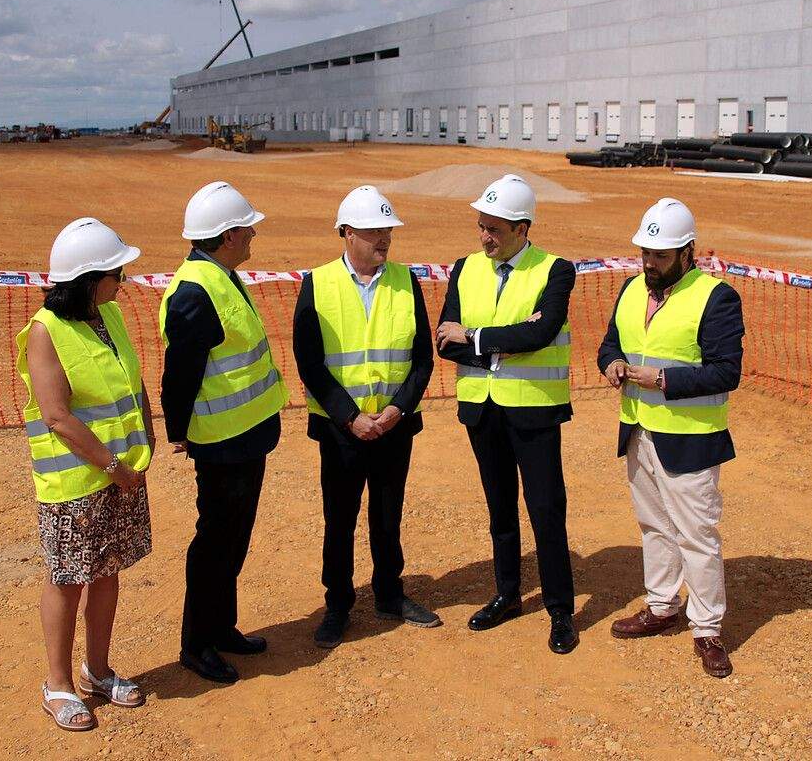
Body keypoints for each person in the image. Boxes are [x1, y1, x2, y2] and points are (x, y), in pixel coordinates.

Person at [596, 198, 744, 679]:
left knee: (696, 535)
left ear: (687, 251)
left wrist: (662, 380)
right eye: (645, 253)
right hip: (638, 430)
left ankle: (708, 629)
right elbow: (611, 343)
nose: (649, 263)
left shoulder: (716, 298)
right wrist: (612, 364)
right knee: (654, 525)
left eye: (660, 256)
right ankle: (661, 606)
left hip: (690, 439)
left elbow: (726, 371)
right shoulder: (630, 289)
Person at [15, 217, 152, 732]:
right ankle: (58, 685)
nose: (124, 281)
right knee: (68, 581)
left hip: (122, 475)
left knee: (107, 570)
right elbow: (57, 416)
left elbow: (131, 380)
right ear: (90, 280)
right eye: (117, 273)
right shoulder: (45, 332)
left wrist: (145, 438)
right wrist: (113, 467)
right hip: (77, 482)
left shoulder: (108, 313)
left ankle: (97, 671)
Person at [435, 174, 579, 654]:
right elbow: (444, 342)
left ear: (522, 228)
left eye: (494, 229)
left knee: (546, 510)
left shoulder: (556, 270)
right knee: (500, 508)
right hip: (482, 410)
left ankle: (560, 610)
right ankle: (508, 594)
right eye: (481, 226)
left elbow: (540, 333)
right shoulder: (464, 269)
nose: (484, 237)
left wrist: (474, 337)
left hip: (534, 410)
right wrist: (506, 341)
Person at [292, 185, 440, 648]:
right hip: (342, 431)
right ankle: (338, 604)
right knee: (339, 519)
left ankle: (389, 594)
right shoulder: (318, 284)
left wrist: (398, 408)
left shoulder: (406, 281)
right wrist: (349, 417)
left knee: (387, 515)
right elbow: (309, 362)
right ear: (347, 233)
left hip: (394, 426)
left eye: (388, 230)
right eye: (374, 231)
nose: (384, 238)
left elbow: (422, 358)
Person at [159, 181, 288, 685]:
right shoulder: (195, 292)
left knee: (234, 537)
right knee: (215, 542)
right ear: (229, 235)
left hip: (247, 435)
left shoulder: (221, 275)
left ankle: (221, 626)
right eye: (247, 228)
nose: (254, 234)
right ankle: (196, 644)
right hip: (221, 442)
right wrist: (178, 430)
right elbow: (179, 374)